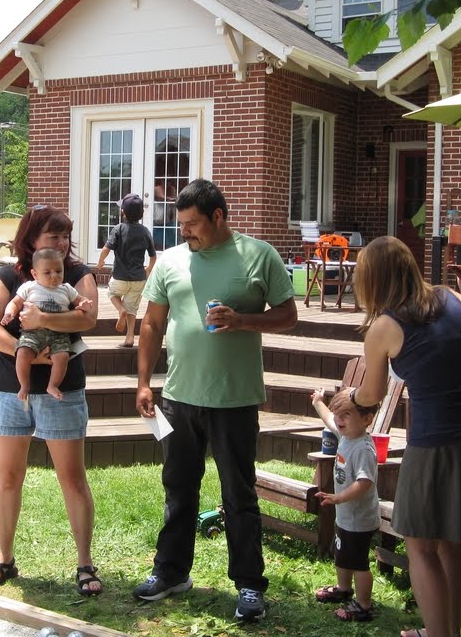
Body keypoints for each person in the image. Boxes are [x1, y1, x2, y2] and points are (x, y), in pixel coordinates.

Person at [134, 179, 298, 622]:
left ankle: (249, 585)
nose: (184, 231)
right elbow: (151, 324)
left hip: (235, 399)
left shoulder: (258, 255)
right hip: (179, 397)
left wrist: (242, 320)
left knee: (239, 494)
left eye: (192, 224)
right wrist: (144, 383)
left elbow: (288, 315)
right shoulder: (170, 261)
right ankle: (171, 572)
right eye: (181, 224)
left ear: (219, 216)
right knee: (178, 488)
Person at [333, 235, 461, 637]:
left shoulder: (383, 327)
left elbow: (373, 394)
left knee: (420, 544)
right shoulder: (455, 298)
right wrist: (452, 368)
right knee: (455, 542)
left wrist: (351, 397)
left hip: (435, 443)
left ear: (372, 281)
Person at [0, 205, 103, 596]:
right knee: (8, 478)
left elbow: (87, 319)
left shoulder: (77, 275)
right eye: (53, 236)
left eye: (65, 236)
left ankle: (85, 564)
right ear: (31, 239)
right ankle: (4, 559)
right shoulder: (9, 276)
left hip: (63, 389)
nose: (62, 244)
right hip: (10, 388)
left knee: (72, 478)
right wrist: (27, 355)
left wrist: (43, 321)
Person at [310, 389, 381, 623]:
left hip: (359, 519)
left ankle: (363, 605)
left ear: (367, 419)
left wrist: (339, 498)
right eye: (338, 414)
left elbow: (364, 483)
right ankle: (343, 589)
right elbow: (329, 419)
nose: (339, 419)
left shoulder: (363, 449)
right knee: (342, 553)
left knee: (358, 563)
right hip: (346, 516)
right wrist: (318, 402)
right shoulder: (346, 436)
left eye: (346, 415)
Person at [1, 247, 94, 401]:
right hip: (33, 333)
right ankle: (24, 385)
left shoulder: (66, 289)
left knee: (62, 356)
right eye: (47, 272)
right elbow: (15, 303)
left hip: (59, 333)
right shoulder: (29, 287)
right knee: (22, 353)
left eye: (58, 271)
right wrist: (9, 313)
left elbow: (81, 301)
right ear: (35, 274)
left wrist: (85, 304)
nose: (54, 276)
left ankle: (53, 385)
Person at [96, 193, 156, 347]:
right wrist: (148, 269)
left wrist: (101, 261)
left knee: (112, 293)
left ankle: (120, 309)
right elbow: (153, 256)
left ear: (123, 212)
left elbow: (106, 249)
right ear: (142, 213)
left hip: (120, 278)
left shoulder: (118, 229)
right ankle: (130, 337)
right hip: (139, 279)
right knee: (132, 309)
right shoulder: (145, 232)